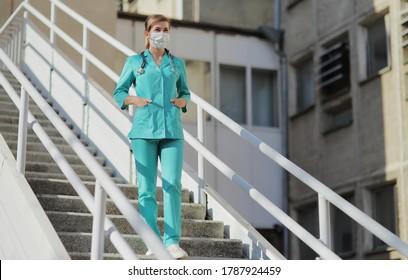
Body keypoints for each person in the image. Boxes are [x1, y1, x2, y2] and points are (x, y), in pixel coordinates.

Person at [113, 14, 190, 259]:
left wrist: (182, 101)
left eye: (166, 29)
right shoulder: (135, 62)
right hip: (144, 130)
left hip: (172, 131)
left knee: (172, 185)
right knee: (146, 190)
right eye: (157, 29)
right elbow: (119, 92)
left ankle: (172, 243)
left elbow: (186, 92)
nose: (162, 33)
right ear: (147, 33)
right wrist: (134, 99)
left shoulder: (177, 63)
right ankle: (152, 240)